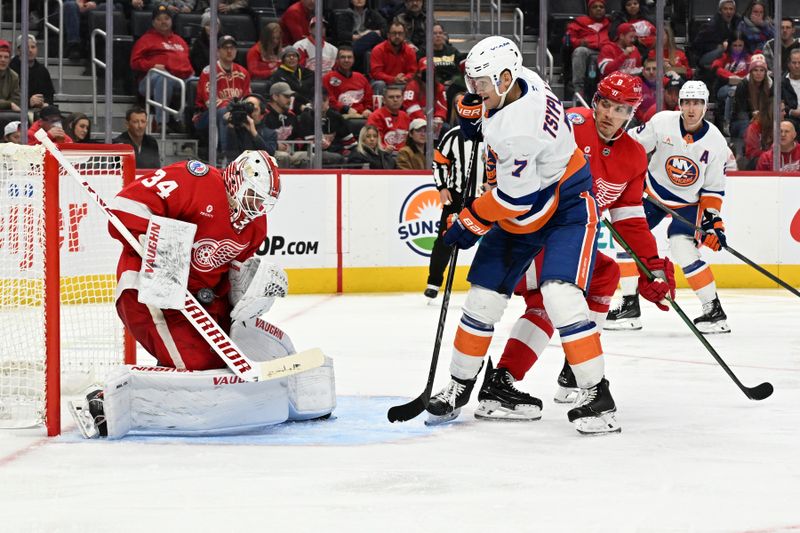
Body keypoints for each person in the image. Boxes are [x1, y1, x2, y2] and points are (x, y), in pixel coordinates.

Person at [426, 36, 621, 435]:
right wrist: (475, 119)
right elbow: (514, 182)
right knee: (482, 297)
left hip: (564, 205)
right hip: (532, 197)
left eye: (481, 83)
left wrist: (471, 220)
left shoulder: (517, 132)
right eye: (474, 81)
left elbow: (515, 199)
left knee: (559, 293)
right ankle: (462, 386)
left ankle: (596, 395)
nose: (474, 90)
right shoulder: (525, 79)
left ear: (503, 77)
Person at [69, 151, 335, 439]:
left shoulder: (255, 226)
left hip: (199, 298)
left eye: (263, 202)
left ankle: (168, 372)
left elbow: (229, 278)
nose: (256, 207)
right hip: (149, 290)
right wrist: (163, 245)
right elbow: (123, 209)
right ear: (235, 180)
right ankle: (102, 399)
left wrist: (251, 291)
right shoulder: (194, 179)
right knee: (198, 367)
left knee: (228, 362)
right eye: (253, 197)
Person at [480, 72, 674, 417]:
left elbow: (629, 219)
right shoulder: (570, 125)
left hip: (568, 237)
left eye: (620, 109)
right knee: (549, 296)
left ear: (632, 115)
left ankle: (561, 366)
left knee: (604, 274)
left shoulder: (633, 157)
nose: (609, 115)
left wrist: (652, 265)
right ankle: (567, 369)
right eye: (604, 104)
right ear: (594, 101)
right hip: (533, 229)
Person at [607, 81, 737, 334]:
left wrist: (714, 223)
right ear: (679, 104)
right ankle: (629, 306)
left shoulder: (716, 143)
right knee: (626, 238)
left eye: (697, 103)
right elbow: (631, 146)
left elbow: (712, 189)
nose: (691, 109)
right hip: (652, 193)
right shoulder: (662, 122)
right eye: (687, 102)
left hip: (689, 203)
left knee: (681, 247)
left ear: (705, 106)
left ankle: (714, 311)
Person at [423, 124, 483, 300]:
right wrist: (442, 187)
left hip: (489, 198)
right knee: (445, 239)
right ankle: (433, 283)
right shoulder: (454, 135)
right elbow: (439, 163)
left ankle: (491, 285)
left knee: (496, 241)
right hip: (457, 197)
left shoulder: (495, 129)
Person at [130, 4, 194, 128]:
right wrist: (152, 65)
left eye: (166, 18)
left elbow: (187, 62)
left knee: (198, 82)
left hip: (181, 77)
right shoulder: (145, 39)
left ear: (171, 21)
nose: (163, 22)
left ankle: (189, 122)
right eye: (159, 19)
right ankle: (162, 122)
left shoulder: (180, 40)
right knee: (164, 78)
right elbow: (134, 62)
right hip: (150, 79)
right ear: (153, 23)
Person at [193, 35, 252, 151]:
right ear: (218, 51)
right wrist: (233, 109)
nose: (229, 51)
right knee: (224, 113)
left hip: (234, 113)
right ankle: (225, 155)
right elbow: (211, 103)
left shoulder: (243, 72)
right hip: (205, 116)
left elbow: (247, 97)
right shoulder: (208, 72)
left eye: (232, 48)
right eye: (225, 48)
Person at [564, 0, 611, 100]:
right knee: (580, 51)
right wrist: (579, 42)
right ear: (589, 10)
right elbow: (567, 39)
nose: (598, 9)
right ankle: (578, 91)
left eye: (601, 7)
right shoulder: (580, 22)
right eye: (595, 7)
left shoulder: (610, 23)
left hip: (605, 51)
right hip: (587, 50)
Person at [297, 88, 355, 165]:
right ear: (311, 102)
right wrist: (339, 150)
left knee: (356, 156)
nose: (321, 104)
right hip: (314, 153)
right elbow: (313, 146)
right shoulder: (306, 117)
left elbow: (350, 143)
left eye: (324, 100)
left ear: (328, 100)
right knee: (336, 157)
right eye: (318, 101)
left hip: (336, 151)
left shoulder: (336, 117)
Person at [711, 35, 750, 133]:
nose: (737, 48)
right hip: (724, 87)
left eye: (740, 45)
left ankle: (727, 122)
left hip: (742, 88)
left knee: (733, 93)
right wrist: (731, 76)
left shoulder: (748, 58)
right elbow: (716, 68)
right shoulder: (725, 56)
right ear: (730, 46)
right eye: (735, 45)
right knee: (732, 90)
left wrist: (742, 80)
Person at [262, 81, 307, 168]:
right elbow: (259, 137)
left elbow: (299, 137)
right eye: (286, 96)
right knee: (283, 157)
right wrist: (275, 145)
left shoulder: (291, 115)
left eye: (290, 97)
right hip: (269, 152)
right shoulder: (263, 114)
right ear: (275, 97)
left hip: (290, 151)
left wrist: (293, 146)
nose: (290, 100)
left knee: (308, 156)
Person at [334, 0, 386, 72]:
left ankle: (352, 54)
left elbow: (385, 30)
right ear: (351, 1)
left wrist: (370, 33)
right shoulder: (345, 15)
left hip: (370, 43)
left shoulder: (373, 14)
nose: (359, 0)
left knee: (372, 35)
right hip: (353, 42)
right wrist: (360, 36)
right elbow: (342, 34)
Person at [323, 46, 373, 119]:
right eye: (343, 57)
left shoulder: (361, 77)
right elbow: (328, 99)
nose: (346, 60)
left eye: (349, 57)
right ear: (337, 60)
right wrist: (346, 109)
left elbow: (369, 99)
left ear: (353, 60)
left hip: (361, 115)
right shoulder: (328, 77)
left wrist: (368, 109)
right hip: (340, 116)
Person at [369, 20, 417, 95]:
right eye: (394, 33)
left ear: (404, 35)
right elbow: (376, 73)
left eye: (400, 33)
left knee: (415, 84)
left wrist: (405, 78)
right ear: (388, 35)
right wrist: (393, 79)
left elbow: (413, 72)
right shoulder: (378, 50)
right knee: (379, 84)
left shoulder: (410, 51)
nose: (397, 36)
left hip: (403, 83)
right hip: (384, 83)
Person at [224, 94, 278, 162]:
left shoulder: (270, 133)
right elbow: (230, 154)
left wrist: (254, 133)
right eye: (246, 109)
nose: (249, 113)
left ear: (262, 113)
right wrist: (231, 128)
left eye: (254, 109)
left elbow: (269, 155)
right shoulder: (234, 129)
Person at [402, 57, 447, 136]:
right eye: (425, 72)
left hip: (433, 121)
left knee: (445, 128)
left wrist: (438, 119)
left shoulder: (439, 87)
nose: (428, 75)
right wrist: (425, 120)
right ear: (419, 73)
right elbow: (410, 107)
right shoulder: (411, 86)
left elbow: (442, 107)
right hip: (415, 120)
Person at [9, 35, 54, 113]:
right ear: (19, 51)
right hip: (17, 111)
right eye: (26, 47)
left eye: (33, 47)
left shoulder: (42, 70)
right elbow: (10, 96)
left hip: (40, 110)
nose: (30, 50)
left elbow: (49, 94)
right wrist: (29, 101)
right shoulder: (11, 69)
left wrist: (45, 103)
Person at [693, 0, 742, 71]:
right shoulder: (711, 26)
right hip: (705, 57)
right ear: (720, 11)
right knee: (722, 49)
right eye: (725, 9)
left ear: (734, 11)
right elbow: (697, 45)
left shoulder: (736, 23)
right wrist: (717, 46)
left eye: (731, 9)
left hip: (726, 54)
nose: (728, 12)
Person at [268, 45, 315, 114]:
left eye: (294, 56)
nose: (291, 58)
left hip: (309, 104)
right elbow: (281, 97)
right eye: (288, 56)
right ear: (283, 59)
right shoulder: (278, 75)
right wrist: (299, 106)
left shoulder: (308, 73)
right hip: (289, 108)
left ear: (298, 58)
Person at [365, 84, 411, 152]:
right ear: (384, 100)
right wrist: (383, 148)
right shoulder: (376, 116)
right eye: (391, 97)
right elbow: (372, 140)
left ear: (402, 99)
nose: (395, 100)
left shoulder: (405, 116)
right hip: (384, 154)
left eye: (398, 97)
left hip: (404, 154)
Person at [189, 9, 212, 77]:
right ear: (203, 27)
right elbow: (198, 66)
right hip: (204, 76)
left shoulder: (224, 41)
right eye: (208, 25)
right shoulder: (198, 43)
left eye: (215, 24)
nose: (212, 27)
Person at [0, 40, 21, 113]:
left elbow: (16, 101)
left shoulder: (14, 76)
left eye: (6, 57)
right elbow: (12, 104)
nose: (3, 60)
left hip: (6, 113)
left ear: (9, 60)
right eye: (0, 56)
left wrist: (5, 104)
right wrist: (9, 104)